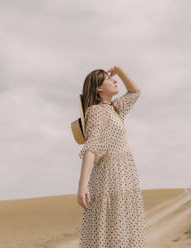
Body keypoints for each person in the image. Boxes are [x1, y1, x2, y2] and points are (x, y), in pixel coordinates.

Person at [77, 65, 148, 247]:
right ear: (99, 88)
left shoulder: (115, 109)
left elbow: (135, 92)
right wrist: (82, 186)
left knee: (122, 233)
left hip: (123, 178)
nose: (115, 81)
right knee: (112, 234)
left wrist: (120, 71)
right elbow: (92, 148)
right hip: (109, 179)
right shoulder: (96, 111)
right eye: (109, 79)